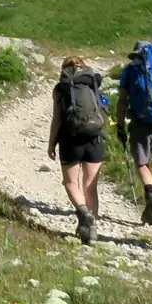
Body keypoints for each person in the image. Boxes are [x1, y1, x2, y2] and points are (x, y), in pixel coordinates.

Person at [114, 41, 152, 226]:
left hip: (141, 121)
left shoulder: (130, 70)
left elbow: (123, 100)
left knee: (141, 162)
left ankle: (151, 195)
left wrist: (120, 125)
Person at [48, 57, 107, 245]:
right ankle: (93, 229)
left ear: (64, 70)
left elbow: (57, 119)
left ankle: (83, 212)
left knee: (71, 183)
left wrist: (51, 144)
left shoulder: (60, 88)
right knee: (90, 185)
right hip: (94, 137)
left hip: (70, 139)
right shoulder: (92, 83)